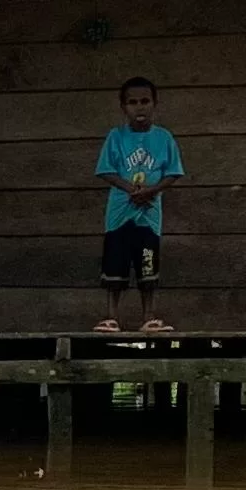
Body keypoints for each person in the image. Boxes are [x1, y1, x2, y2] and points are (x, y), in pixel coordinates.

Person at [95, 77, 185, 331]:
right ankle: (111, 316)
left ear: (155, 104)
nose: (139, 107)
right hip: (119, 215)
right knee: (115, 265)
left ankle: (149, 317)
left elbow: (174, 172)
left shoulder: (164, 138)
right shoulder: (116, 137)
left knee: (147, 264)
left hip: (149, 216)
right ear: (123, 107)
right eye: (132, 102)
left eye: (145, 101)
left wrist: (151, 191)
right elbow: (105, 170)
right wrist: (130, 189)